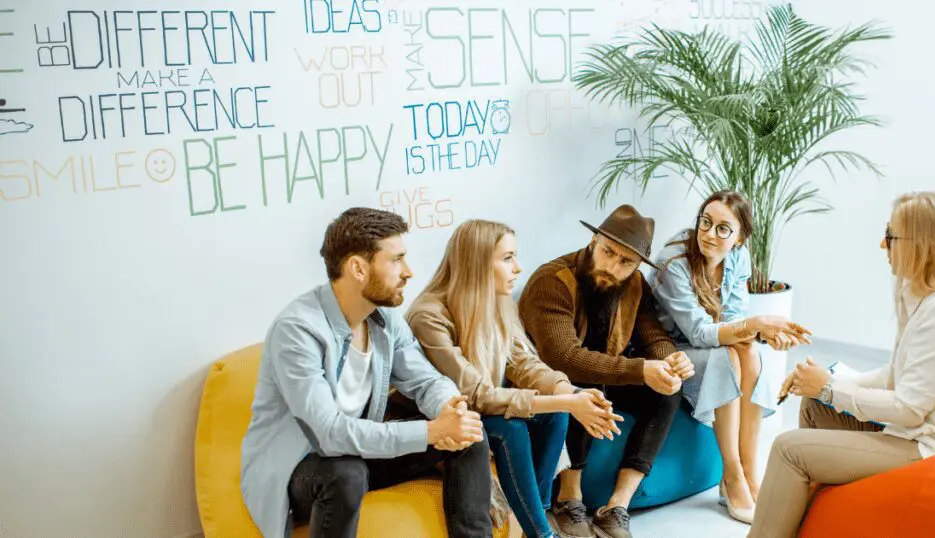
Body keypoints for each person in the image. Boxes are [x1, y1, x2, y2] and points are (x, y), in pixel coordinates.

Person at [748, 191, 935, 538]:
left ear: (922, 244)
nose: (881, 244)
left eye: (890, 236)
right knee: (815, 407)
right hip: (920, 431)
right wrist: (825, 383)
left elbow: (909, 408)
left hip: (933, 448)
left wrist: (829, 388)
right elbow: (897, 374)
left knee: (788, 449)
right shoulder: (922, 294)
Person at [240, 207, 494, 538]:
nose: (409, 272)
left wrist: (451, 409)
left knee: (469, 433)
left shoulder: (384, 319)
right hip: (299, 471)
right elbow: (329, 434)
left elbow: (426, 380)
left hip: (358, 452)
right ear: (358, 268)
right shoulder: (297, 331)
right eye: (396, 260)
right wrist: (430, 432)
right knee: (345, 474)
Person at [407, 219, 624, 538]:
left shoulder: (498, 302)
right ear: (478, 263)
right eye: (507, 258)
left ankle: (534, 523)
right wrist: (568, 399)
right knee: (512, 429)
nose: (518, 267)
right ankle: (542, 533)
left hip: (479, 414)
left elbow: (525, 364)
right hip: (440, 424)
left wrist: (571, 392)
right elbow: (475, 395)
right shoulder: (429, 315)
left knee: (555, 416)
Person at [518, 204, 695, 538]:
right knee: (587, 379)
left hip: (602, 374)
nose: (613, 267)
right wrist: (641, 369)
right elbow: (563, 358)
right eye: (608, 252)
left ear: (638, 265)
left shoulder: (634, 284)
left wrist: (671, 359)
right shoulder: (552, 281)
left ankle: (617, 506)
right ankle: (569, 497)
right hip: (550, 387)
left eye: (626, 261)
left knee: (669, 389)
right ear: (593, 241)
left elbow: (652, 334)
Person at [646, 190, 812, 523]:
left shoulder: (738, 257)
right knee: (729, 357)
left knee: (748, 352)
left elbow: (734, 315)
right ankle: (732, 475)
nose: (709, 234)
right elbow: (697, 333)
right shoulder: (674, 262)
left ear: (739, 239)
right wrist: (755, 326)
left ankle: (750, 470)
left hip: (715, 344)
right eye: (705, 222)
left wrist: (762, 334)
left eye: (723, 228)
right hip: (674, 350)